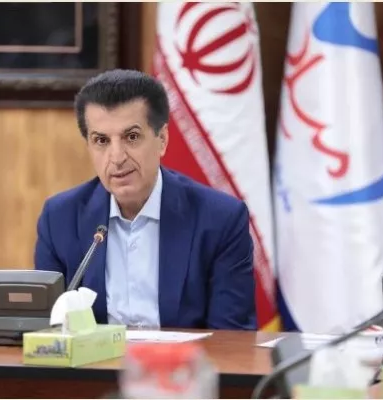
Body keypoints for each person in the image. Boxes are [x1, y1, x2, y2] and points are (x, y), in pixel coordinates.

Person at [34, 69, 256, 330]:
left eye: (131, 137)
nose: (117, 158)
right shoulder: (60, 219)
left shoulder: (220, 220)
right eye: (101, 140)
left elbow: (230, 338)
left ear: (162, 140)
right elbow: (47, 329)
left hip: (185, 358)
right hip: (94, 358)